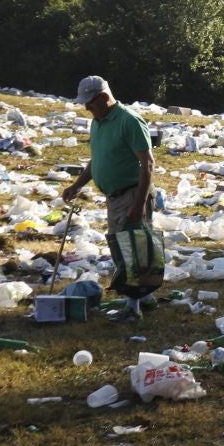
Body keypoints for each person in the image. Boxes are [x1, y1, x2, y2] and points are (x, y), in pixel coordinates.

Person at [61, 74, 161, 316]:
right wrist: (77, 185)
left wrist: (138, 205)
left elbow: (147, 164)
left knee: (132, 249)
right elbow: (98, 159)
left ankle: (133, 307)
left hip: (132, 192)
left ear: (104, 97)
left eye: (90, 102)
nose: (86, 107)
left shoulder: (129, 121)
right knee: (121, 247)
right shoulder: (98, 122)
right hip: (114, 196)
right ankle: (145, 298)